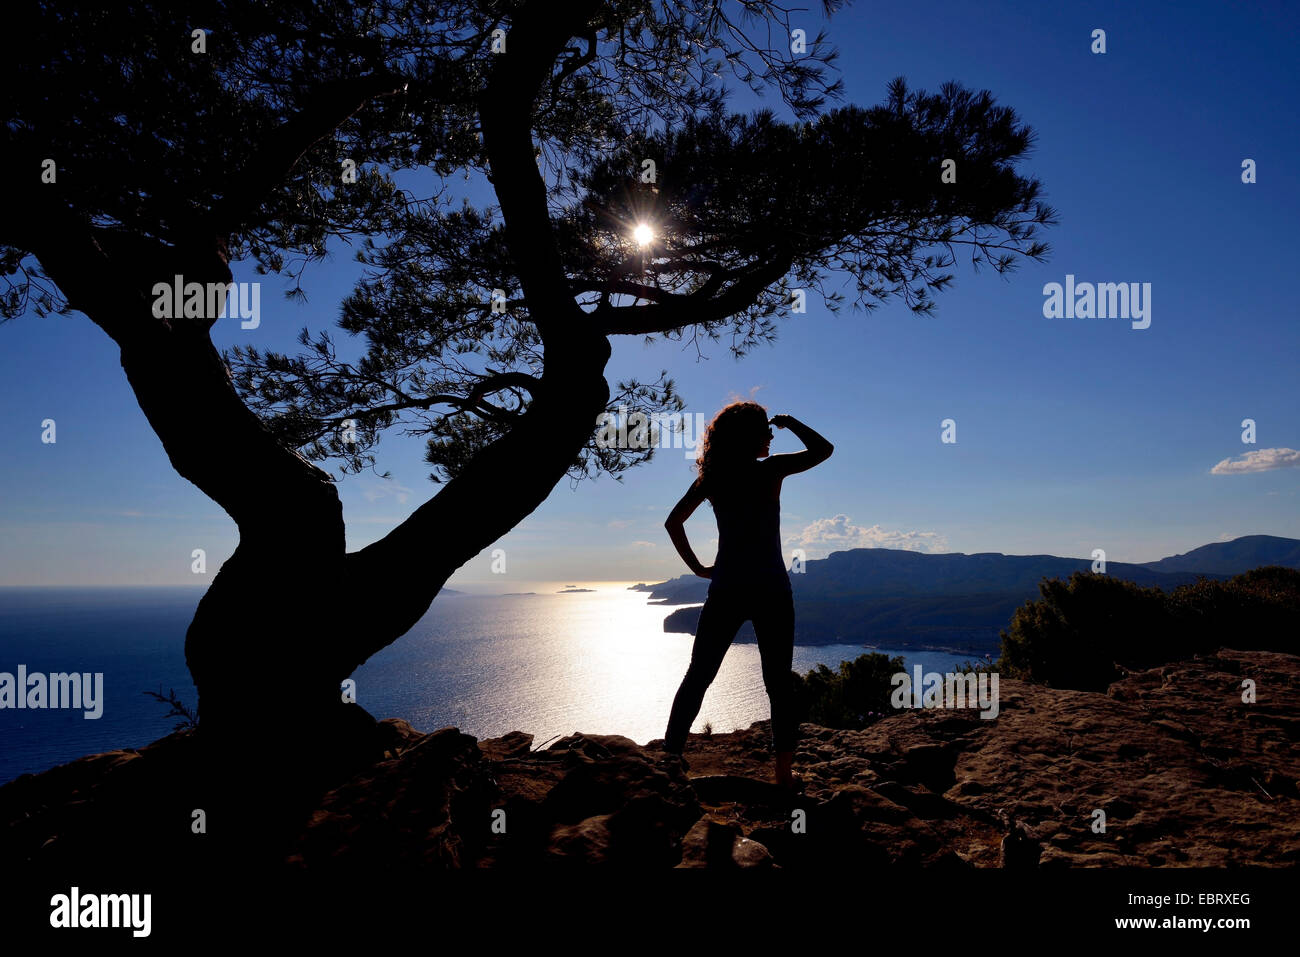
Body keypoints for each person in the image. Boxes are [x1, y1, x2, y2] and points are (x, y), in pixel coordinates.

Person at [661, 401, 833, 790]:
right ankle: (784, 776)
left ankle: (670, 760)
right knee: (778, 683)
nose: (771, 437)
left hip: (727, 587)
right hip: (771, 589)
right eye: (766, 431)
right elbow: (824, 450)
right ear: (749, 437)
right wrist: (793, 422)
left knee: (699, 676)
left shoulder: (713, 478)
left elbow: (674, 522)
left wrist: (699, 569)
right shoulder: (770, 471)